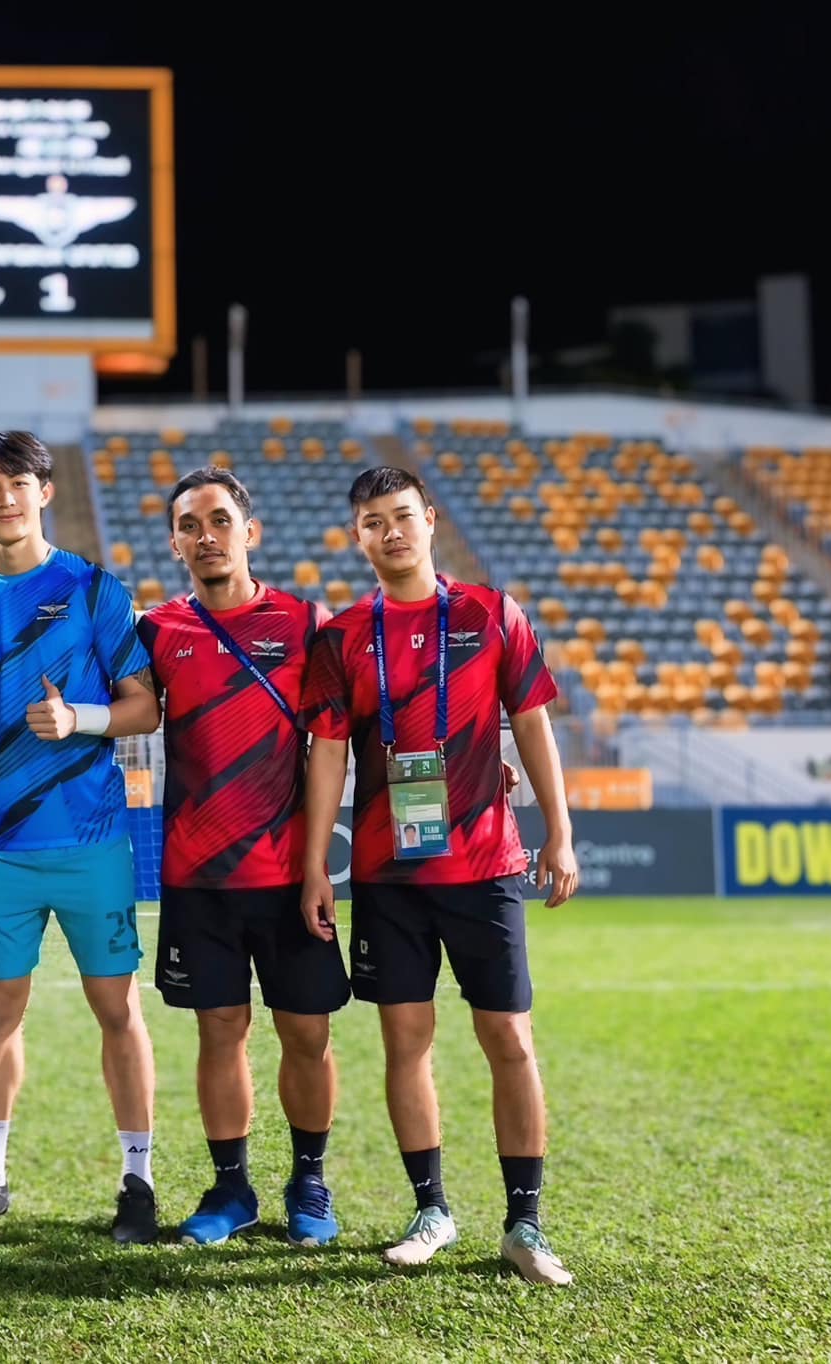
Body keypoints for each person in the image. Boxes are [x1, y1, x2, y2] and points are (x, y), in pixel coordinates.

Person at [298, 466, 580, 1287]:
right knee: (405, 1042)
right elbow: (328, 756)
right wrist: (316, 865)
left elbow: (533, 725)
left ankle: (525, 1225)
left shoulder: (491, 613)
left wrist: (560, 835)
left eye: (402, 516)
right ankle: (432, 1210)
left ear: (430, 519)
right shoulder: (344, 636)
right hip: (388, 875)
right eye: (373, 522)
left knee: (510, 1039)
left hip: (486, 865)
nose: (390, 532)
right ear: (358, 537)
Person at [0, 430, 161, 1243]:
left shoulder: (94, 588)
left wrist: (79, 718)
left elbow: (145, 706)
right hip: (3, 843)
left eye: (18, 482)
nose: (6, 498)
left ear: (44, 492)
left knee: (118, 1007)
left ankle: (138, 1181)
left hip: (93, 838)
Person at [134, 467, 349, 1248]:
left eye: (220, 521)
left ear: (249, 532)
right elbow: (126, 708)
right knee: (219, 1029)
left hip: (288, 875)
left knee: (307, 1033)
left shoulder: (306, 623)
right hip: (198, 877)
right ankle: (231, 1190)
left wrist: (318, 865)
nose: (206, 537)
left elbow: (334, 743)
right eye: (190, 526)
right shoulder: (157, 631)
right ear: (174, 544)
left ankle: (309, 1180)